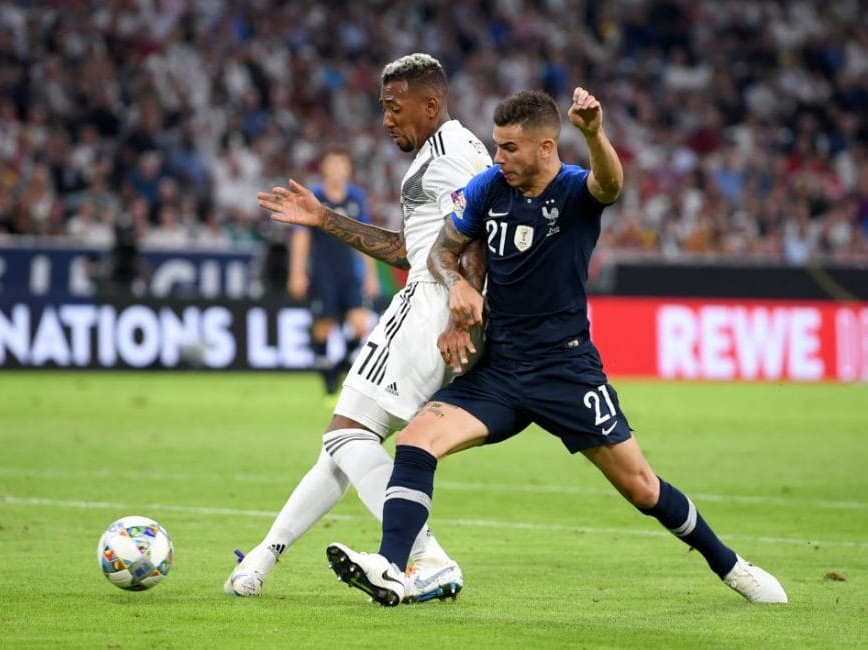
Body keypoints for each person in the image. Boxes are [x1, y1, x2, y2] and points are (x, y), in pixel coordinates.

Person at [326, 88, 788, 606]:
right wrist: (454, 280)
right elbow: (440, 252)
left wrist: (593, 133)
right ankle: (392, 568)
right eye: (496, 146)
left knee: (641, 487)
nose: (498, 158)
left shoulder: (572, 191)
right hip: (499, 367)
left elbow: (610, 183)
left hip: (565, 370)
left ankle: (732, 567)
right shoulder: (488, 189)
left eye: (509, 149)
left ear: (546, 147)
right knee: (415, 442)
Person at [225, 53, 493, 601]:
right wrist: (326, 219)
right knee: (345, 443)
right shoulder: (454, 150)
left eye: (395, 108)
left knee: (347, 432)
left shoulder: (445, 160)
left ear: (431, 104)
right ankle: (262, 558)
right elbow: (409, 247)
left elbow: (480, 232)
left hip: (430, 306)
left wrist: (463, 309)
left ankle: (426, 558)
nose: (387, 120)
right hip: (433, 298)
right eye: (383, 109)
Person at [287, 148, 379, 397]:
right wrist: (297, 272)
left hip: (350, 272)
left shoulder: (356, 198)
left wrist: (371, 275)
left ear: (348, 169)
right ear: (324, 168)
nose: (338, 169)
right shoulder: (314, 196)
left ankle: (339, 367)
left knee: (361, 325)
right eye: (333, 164)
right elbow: (301, 236)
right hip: (322, 272)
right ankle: (328, 379)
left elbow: (365, 237)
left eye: (342, 164)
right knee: (323, 327)